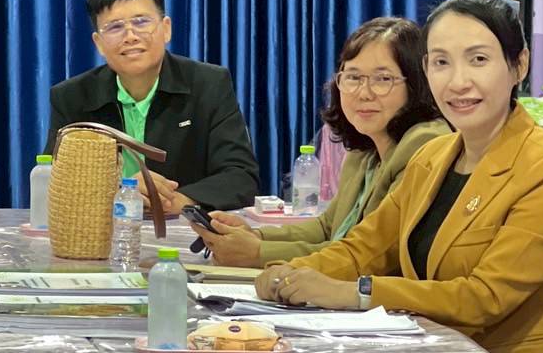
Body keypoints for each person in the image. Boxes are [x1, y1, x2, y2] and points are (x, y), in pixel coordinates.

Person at [253, 0, 543, 353]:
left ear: (519, 65)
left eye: (478, 60)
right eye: (441, 62)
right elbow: (363, 249)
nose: (458, 82)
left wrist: (355, 292)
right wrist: (290, 273)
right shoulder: (433, 157)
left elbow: (483, 298)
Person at [190, 18, 447, 265]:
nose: (364, 93)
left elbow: (372, 254)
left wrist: (257, 253)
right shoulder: (364, 150)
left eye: (383, 79)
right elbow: (327, 228)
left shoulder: (424, 143)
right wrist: (254, 236)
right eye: (353, 77)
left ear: (416, 83)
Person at [44, 0, 259, 213]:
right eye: (115, 27)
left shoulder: (208, 84)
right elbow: (55, 181)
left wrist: (176, 200)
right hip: (103, 227)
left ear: (166, 29)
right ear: (99, 43)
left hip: (183, 226)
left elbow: (240, 176)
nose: (130, 37)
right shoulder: (71, 97)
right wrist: (121, 192)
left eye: (141, 22)